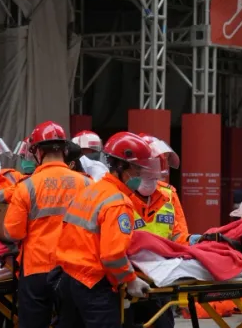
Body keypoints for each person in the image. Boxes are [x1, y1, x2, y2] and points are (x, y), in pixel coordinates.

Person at [50, 131, 160, 328]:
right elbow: (113, 255)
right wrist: (131, 279)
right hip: (93, 284)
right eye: (136, 168)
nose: (140, 174)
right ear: (120, 165)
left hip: (68, 279)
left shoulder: (91, 191)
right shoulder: (118, 203)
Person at [2, 121, 91, 328]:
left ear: (37, 152)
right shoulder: (87, 184)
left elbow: (13, 232)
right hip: (74, 269)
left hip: (36, 269)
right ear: (64, 150)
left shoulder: (27, 186)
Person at [123, 133, 189, 328]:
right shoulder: (118, 195)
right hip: (127, 278)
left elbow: (180, 235)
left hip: (162, 278)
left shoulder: (169, 194)